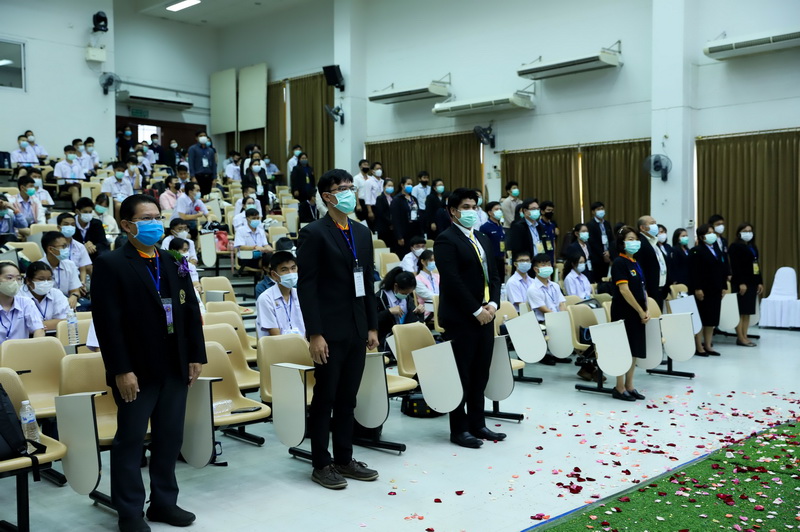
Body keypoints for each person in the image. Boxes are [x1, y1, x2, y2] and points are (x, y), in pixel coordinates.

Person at [92, 194, 206, 532]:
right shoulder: (111, 263)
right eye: (146, 218)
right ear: (127, 225)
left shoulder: (173, 259)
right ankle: (129, 512)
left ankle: (163, 503)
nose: (155, 223)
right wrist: (121, 370)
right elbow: (107, 323)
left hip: (175, 365)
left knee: (169, 438)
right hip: (136, 370)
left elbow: (190, 311)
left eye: (158, 216)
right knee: (130, 441)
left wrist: (196, 355)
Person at [296, 169, 379, 489]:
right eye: (342, 189)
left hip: (357, 328)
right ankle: (321, 463)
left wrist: (372, 326)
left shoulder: (361, 232)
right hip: (328, 332)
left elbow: (367, 282)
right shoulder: (314, 233)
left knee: (348, 399)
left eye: (350, 187)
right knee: (325, 398)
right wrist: (314, 333)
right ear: (327, 197)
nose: (349, 193)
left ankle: (345, 458)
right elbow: (307, 286)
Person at [434, 187, 503, 449]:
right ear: (453, 211)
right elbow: (452, 280)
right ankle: (459, 429)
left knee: (480, 373)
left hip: (487, 315)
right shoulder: (446, 239)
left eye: (474, 207)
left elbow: (494, 274)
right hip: (462, 318)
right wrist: (476, 310)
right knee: (461, 374)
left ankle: (478, 423)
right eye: (465, 207)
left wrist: (493, 304)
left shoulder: (482, 237)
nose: (471, 211)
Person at [610, 226, 649, 401]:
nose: (635, 243)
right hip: (624, 311)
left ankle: (630, 385)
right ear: (622, 243)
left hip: (638, 311)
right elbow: (624, 290)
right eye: (630, 239)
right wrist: (640, 310)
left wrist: (646, 309)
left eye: (636, 239)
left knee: (634, 349)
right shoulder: (619, 262)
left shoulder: (635, 262)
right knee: (622, 348)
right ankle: (619, 387)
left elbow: (642, 288)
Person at [688, 223, 729, 357]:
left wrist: (724, 286)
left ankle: (708, 345)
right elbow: (694, 272)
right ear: (701, 236)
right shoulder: (696, 250)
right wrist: (697, 288)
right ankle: (699, 346)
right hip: (703, 290)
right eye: (709, 233)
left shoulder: (716, 249)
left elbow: (722, 269)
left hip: (716, 289)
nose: (712, 235)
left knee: (711, 319)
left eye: (713, 232)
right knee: (701, 318)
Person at [255, 251, 304, 338]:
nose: (290, 273)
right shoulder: (265, 299)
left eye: (293, 268)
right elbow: (275, 335)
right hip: (278, 344)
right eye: (284, 270)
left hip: (302, 343)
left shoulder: (301, 294)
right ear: (274, 275)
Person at [729, 223, 763, 347]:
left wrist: (759, 281)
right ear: (739, 233)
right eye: (744, 231)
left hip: (752, 282)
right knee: (740, 311)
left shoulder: (752, 246)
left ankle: (745, 336)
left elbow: (756, 265)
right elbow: (736, 266)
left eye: (750, 231)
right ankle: (740, 337)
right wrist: (741, 283)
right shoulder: (735, 246)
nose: (748, 233)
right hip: (741, 283)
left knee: (747, 311)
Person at [376, 267, 424, 349]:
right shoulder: (380, 297)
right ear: (396, 286)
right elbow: (373, 320)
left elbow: (414, 321)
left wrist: (419, 313)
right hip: (388, 339)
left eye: (408, 293)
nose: (406, 295)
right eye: (404, 293)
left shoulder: (407, 298)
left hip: (407, 335)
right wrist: (389, 312)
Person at [0, 261, 45, 345]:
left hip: (23, 351)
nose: (15, 282)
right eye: (9, 278)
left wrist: (35, 347)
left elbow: (39, 330)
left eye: (18, 278)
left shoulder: (26, 302)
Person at [20, 261, 69, 331]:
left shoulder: (56, 293)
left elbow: (65, 322)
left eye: (49, 279)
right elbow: (20, 327)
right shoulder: (19, 296)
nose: (46, 282)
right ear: (28, 280)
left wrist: (35, 326)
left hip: (55, 334)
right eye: (41, 279)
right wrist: (52, 324)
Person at [40, 231, 83, 308]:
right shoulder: (37, 268)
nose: (66, 249)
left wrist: (74, 296)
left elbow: (75, 290)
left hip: (67, 302)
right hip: (46, 304)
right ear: (50, 249)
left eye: (66, 246)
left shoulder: (70, 265)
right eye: (63, 246)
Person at [634, 215, 667, 310]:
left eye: (655, 223)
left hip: (659, 289)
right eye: (652, 223)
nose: (655, 226)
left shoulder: (654, 242)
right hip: (649, 291)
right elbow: (641, 268)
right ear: (642, 228)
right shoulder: (641, 243)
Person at [525, 253, 566, 323]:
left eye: (549, 264)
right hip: (544, 322)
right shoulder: (533, 289)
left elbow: (561, 304)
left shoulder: (555, 285)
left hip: (559, 319)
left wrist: (564, 317)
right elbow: (544, 310)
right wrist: (559, 319)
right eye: (543, 265)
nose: (547, 267)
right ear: (536, 269)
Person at [57, 213, 92, 287]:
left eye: (73, 225)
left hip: (76, 281)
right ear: (59, 227)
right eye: (66, 224)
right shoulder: (52, 246)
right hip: (59, 280)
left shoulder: (80, 246)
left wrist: (82, 283)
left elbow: (83, 269)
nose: (70, 227)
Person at [391, 177, 422, 256]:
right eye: (408, 184)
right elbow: (395, 219)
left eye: (411, 184)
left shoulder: (414, 198)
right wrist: (399, 236)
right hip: (404, 232)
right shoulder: (397, 199)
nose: (410, 186)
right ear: (402, 185)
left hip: (415, 231)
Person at [586, 201, 614, 281]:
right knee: (598, 279)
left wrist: (609, 252)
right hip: (597, 257)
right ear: (593, 212)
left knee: (606, 278)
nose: (601, 211)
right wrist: (603, 254)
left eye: (602, 209)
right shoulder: (590, 225)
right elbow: (592, 242)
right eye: (598, 209)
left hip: (608, 255)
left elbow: (611, 239)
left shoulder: (607, 224)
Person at [479, 201, 506, 279]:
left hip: (501, 258)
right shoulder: (485, 227)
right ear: (490, 212)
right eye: (496, 209)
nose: (499, 211)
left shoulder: (500, 225)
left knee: (502, 280)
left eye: (500, 209)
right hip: (492, 259)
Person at [187, 130, 216, 195]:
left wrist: (214, 178)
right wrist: (192, 176)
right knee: (198, 195)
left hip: (208, 177)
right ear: (196, 138)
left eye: (204, 136)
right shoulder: (192, 149)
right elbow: (191, 163)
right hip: (198, 176)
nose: (203, 137)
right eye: (201, 136)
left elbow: (214, 165)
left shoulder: (210, 150)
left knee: (207, 196)